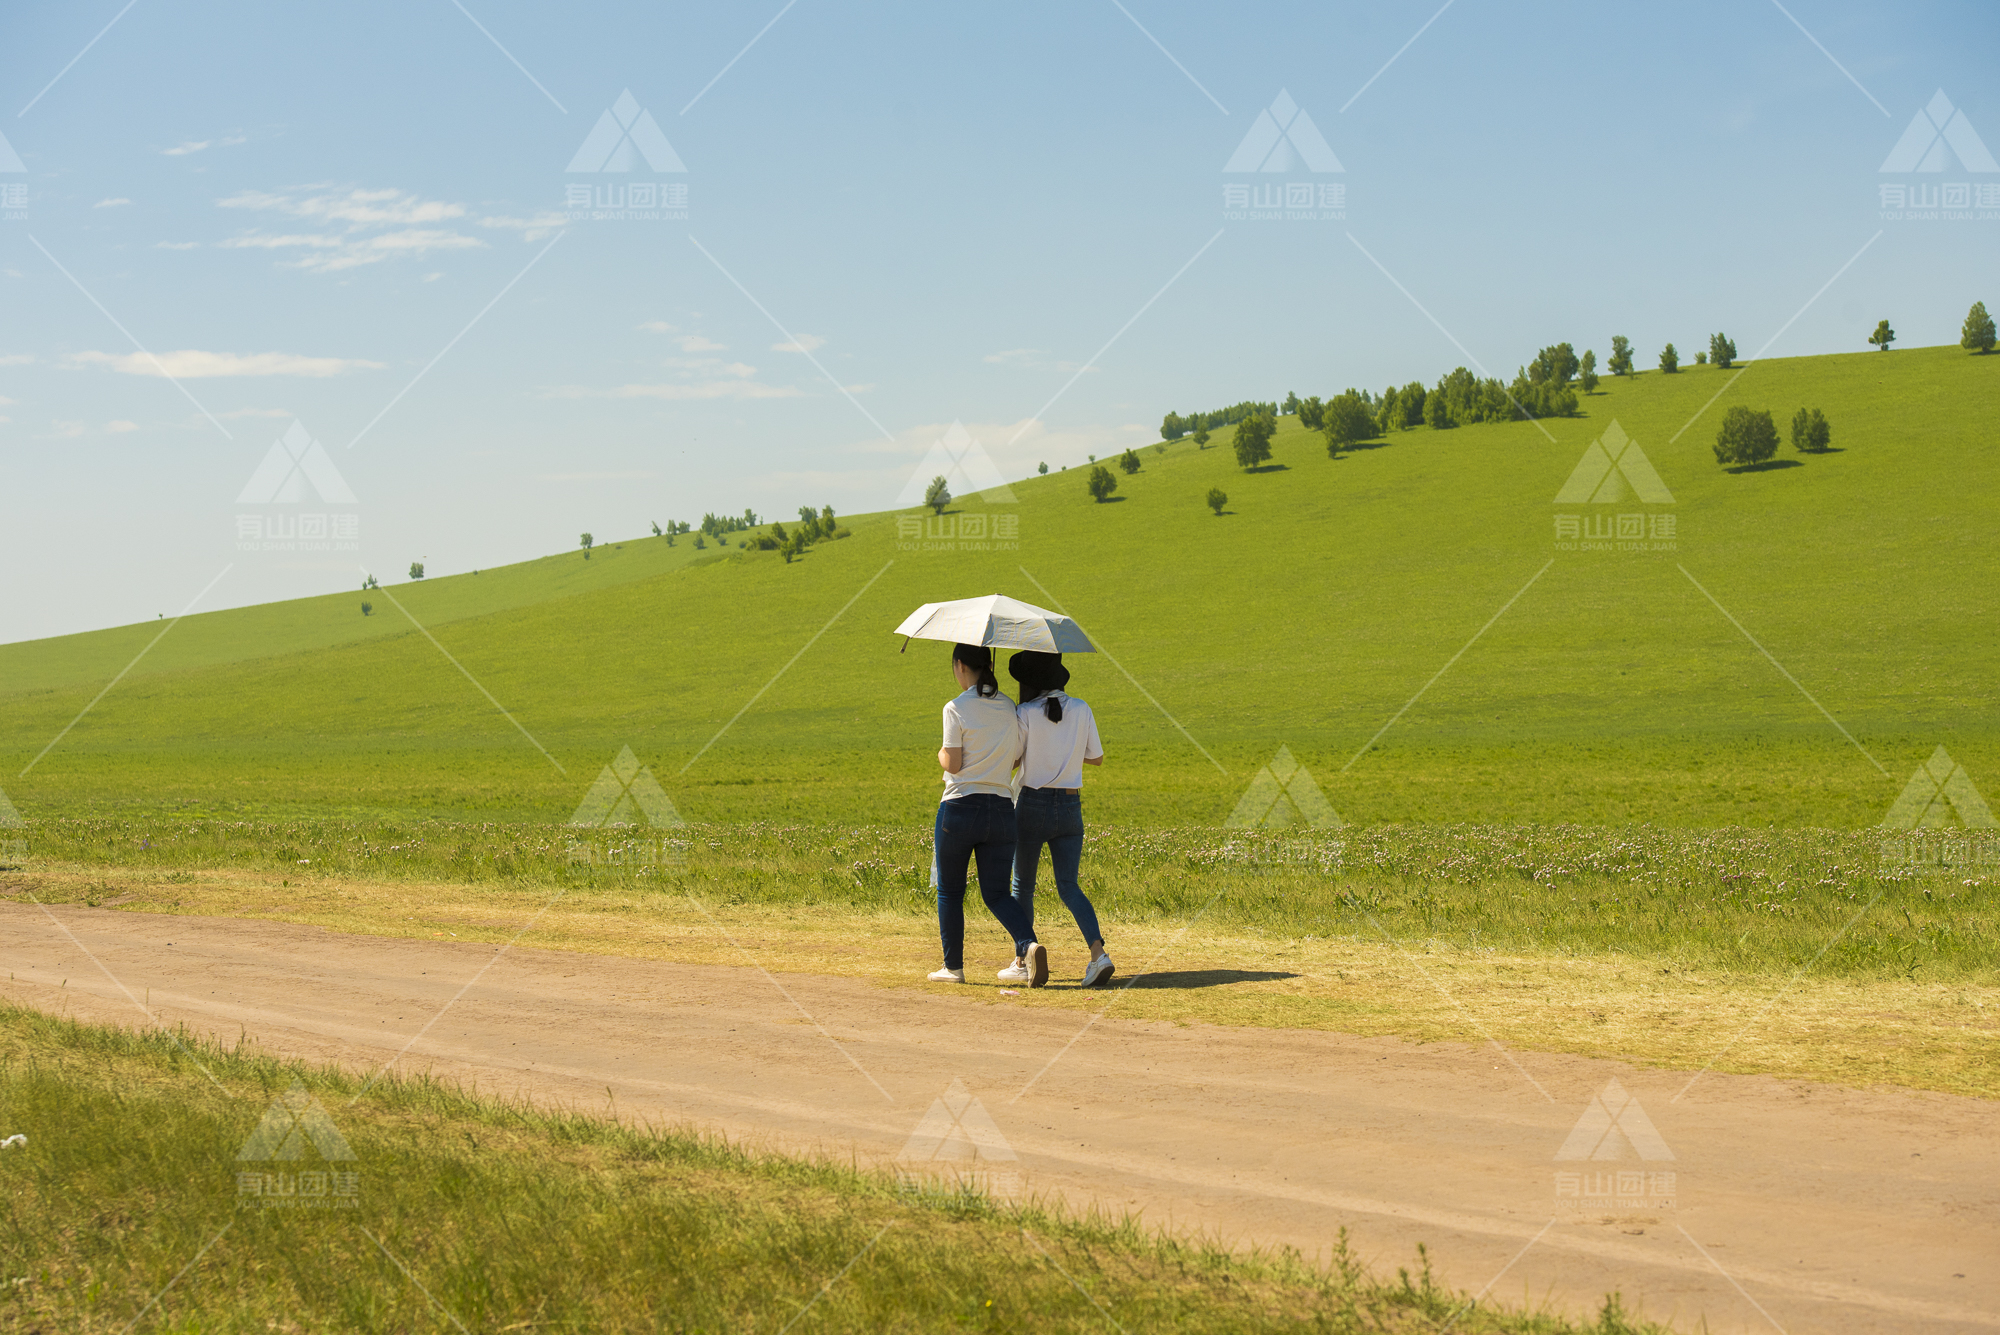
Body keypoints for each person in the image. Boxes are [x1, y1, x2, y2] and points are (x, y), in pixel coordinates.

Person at [928, 643, 1046, 986]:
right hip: (1000, 807)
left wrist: (939, 753)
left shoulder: (955, 708)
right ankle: (1028, 944)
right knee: (996, 893)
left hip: (960, 806)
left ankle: (953, 968)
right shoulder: (1010, 707)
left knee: (950, 891)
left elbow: (953, 763)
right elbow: (1013, 759)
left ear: (960, 665)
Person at [1006, 650, 1114, 988]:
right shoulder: (1081, 708)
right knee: (1068, 886)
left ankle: (1023, 959)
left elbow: (1011, 760)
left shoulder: (1025, 712)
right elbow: (1095, 758)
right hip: (1070, 806)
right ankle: (1098, 955)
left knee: (1022, 884)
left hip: (1032, 804)